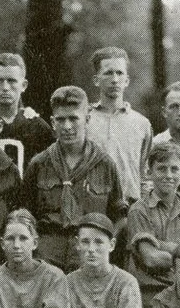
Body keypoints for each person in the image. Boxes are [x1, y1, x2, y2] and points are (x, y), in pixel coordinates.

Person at [29, 87, 126, 269]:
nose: (67, 126)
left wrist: (104, 245)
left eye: (73, 118)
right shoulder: (39, 163)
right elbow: (26, 213)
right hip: (47, 254)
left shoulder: (105, 164)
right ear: (52, 122)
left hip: (88, 253)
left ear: (87, 119)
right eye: (60, 119)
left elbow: (120, 216)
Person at [122, 141, 180, 296]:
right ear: (149, 172)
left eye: (174, 169)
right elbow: (151, 259)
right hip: (151, 294)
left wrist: (163, 245)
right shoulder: (139, 211)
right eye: (161, 169)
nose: (168, 175)